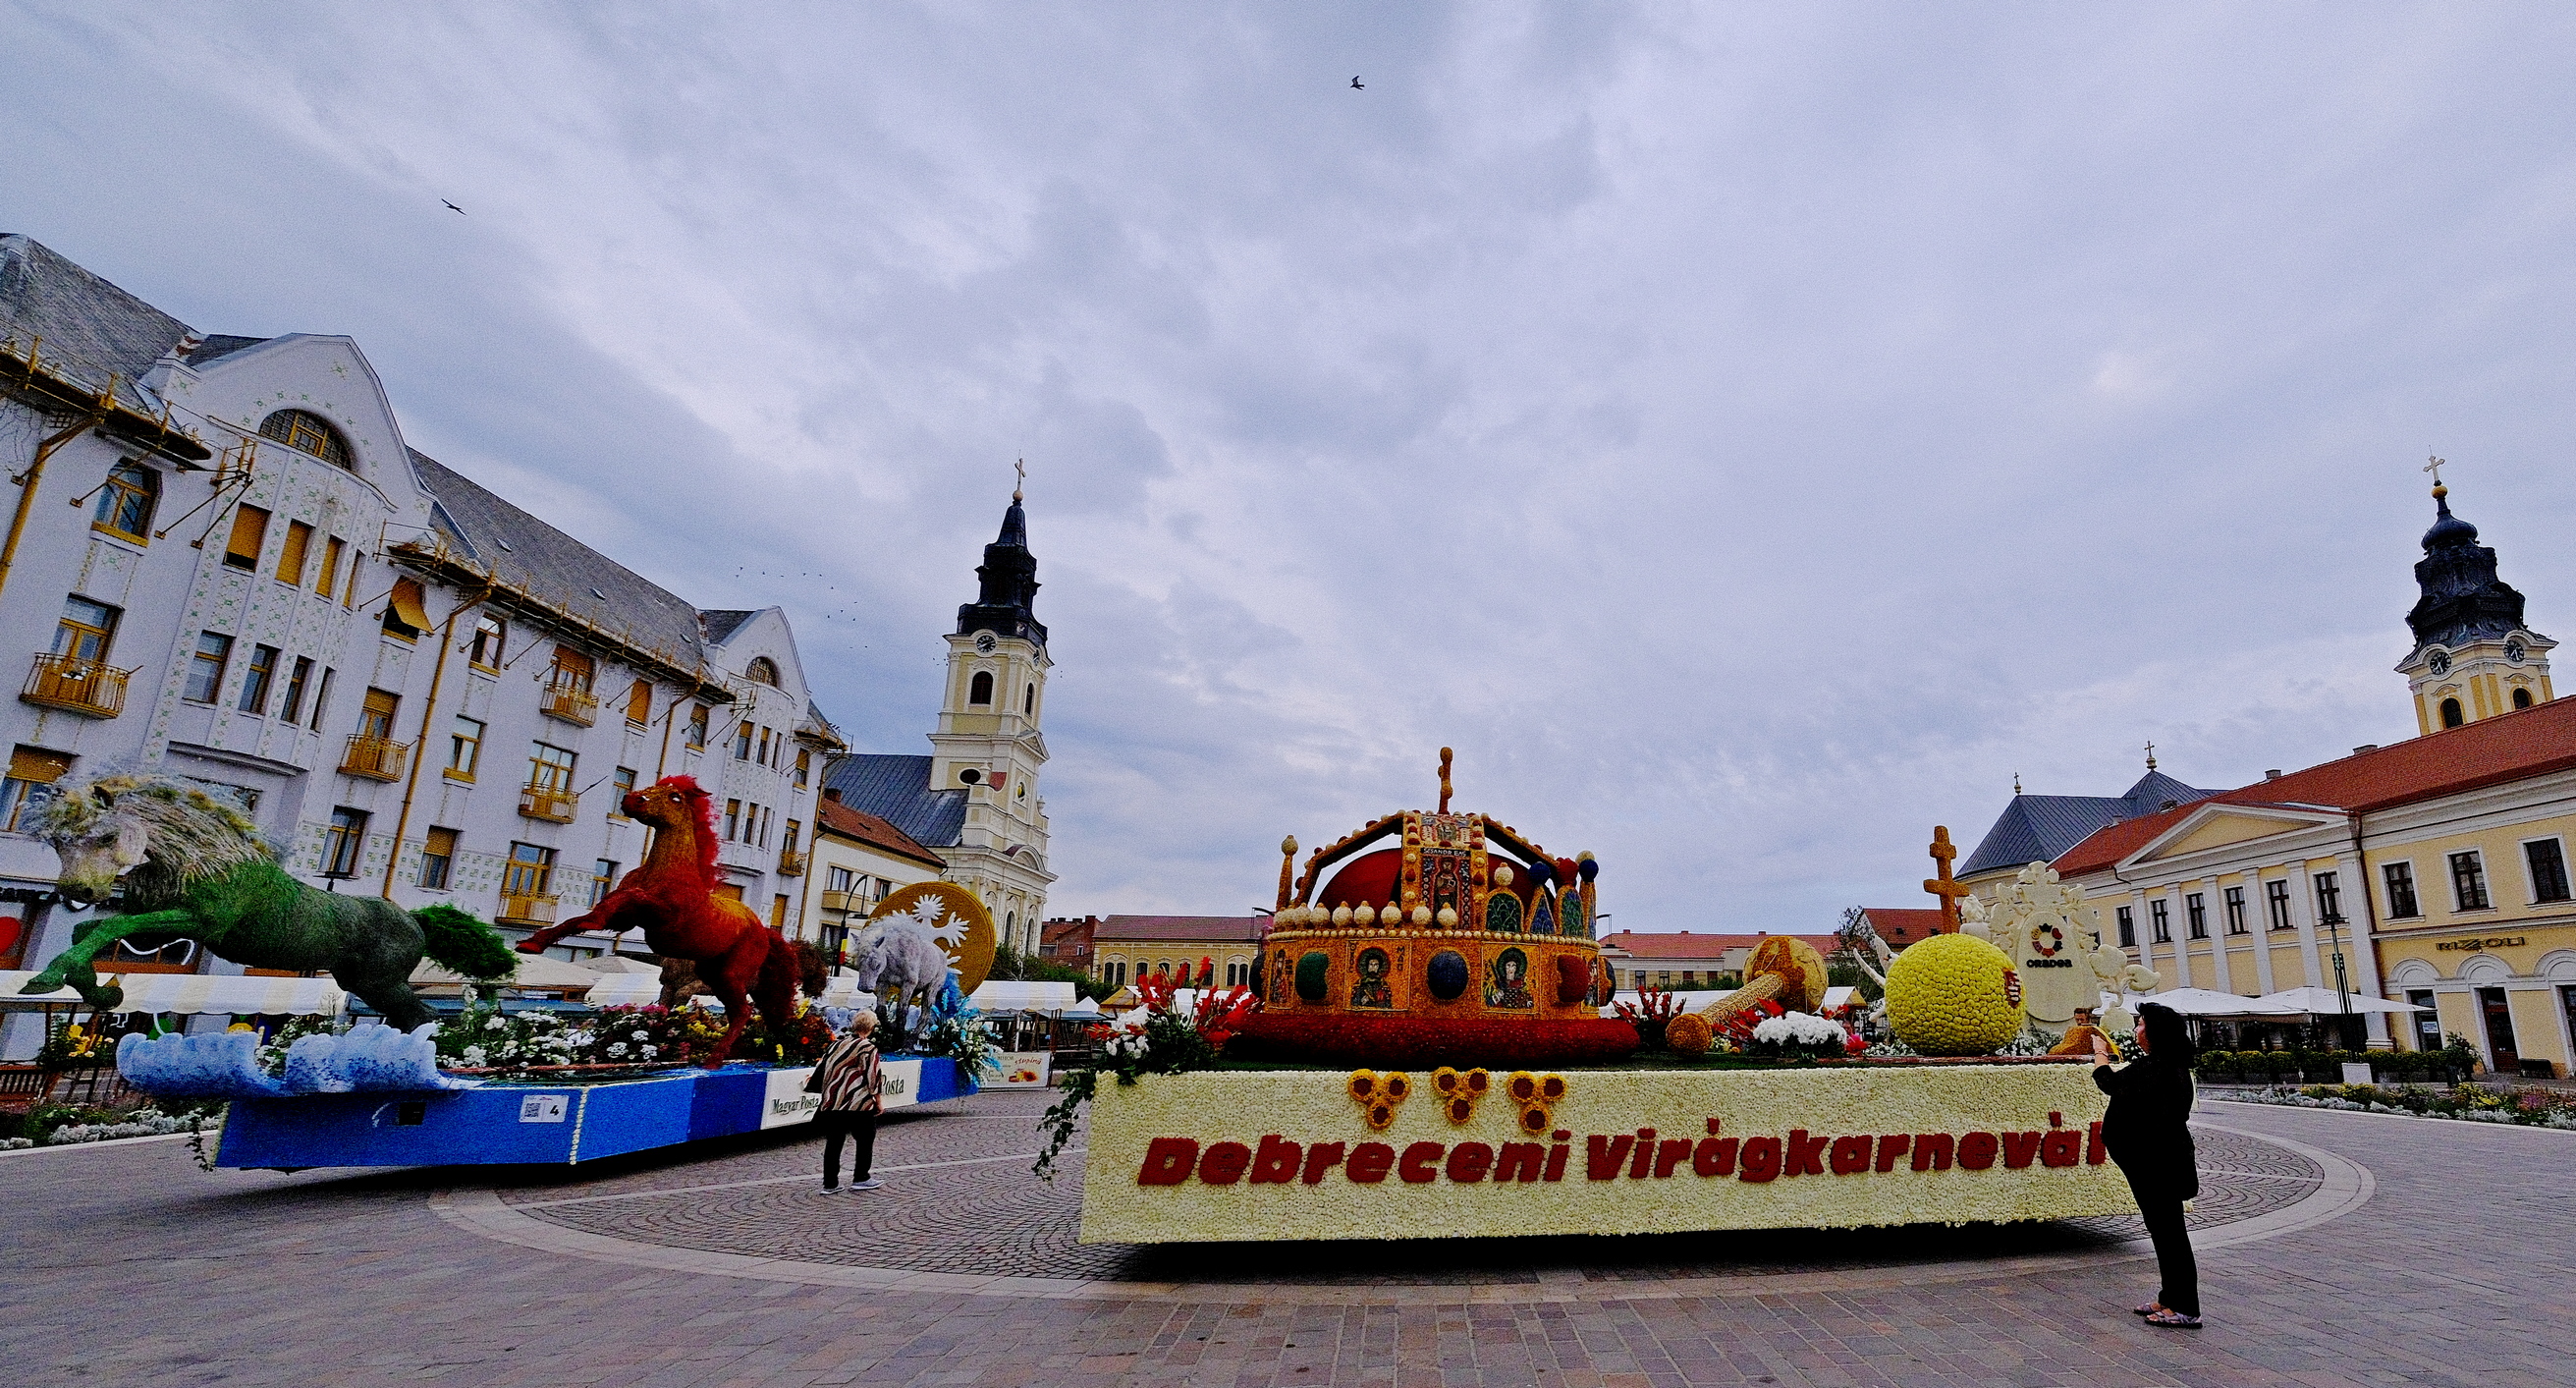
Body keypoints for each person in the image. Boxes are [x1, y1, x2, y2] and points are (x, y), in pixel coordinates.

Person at [2091, 1002, 2201, 1327]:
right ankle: (2170, 1298)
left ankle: (2186, 1307)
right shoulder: (2161, 1065)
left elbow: (2111, 1083)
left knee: (2171, 1234)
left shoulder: (2161, 1068)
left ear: (2155, 1033)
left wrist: (2100, 1054)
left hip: (2160, 1165)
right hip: (2153, 1163)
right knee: (2164, 1231)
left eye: (2141, 1024)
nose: (2137, 1030)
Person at [814, 1011, 884, 1193]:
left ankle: (830, 1184)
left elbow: (823, 1069)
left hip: (833, 1101)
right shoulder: (867, 1047)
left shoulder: (836, 1044)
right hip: (858, 1102)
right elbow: (873, 1077)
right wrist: (878, 1101)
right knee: (865, 1139)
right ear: (870, 1028)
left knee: (834, 1143)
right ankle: (861, 1177)